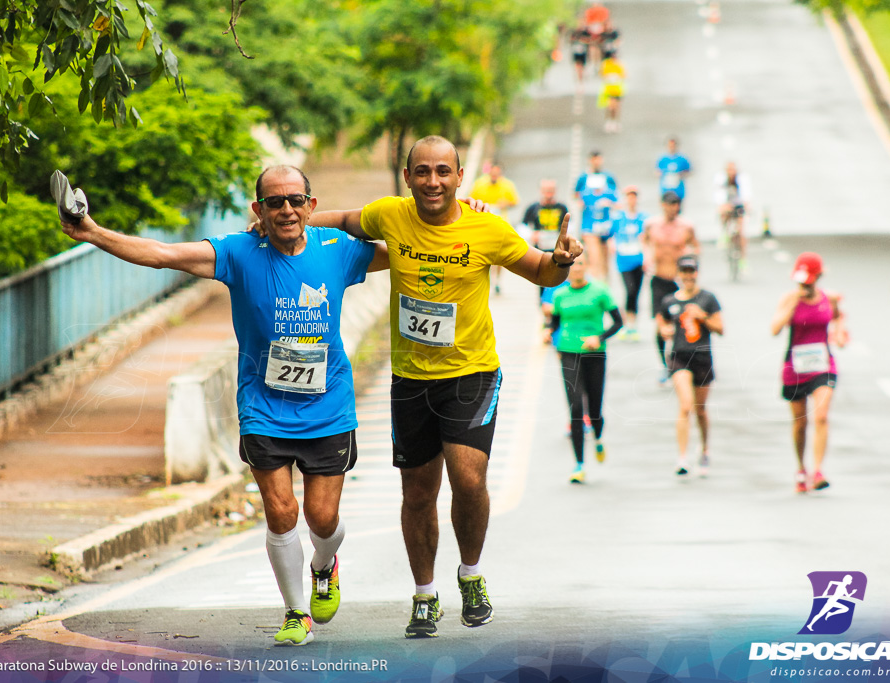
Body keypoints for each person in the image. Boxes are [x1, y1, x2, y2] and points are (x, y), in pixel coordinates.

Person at [59, 166, 389, 646]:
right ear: (258, 210)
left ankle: (325, 563)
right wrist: (91, 232)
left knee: (321, 518)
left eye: (295, 200)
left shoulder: (338, 251)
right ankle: (297, 613)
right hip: (263, 407)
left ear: (311, 206)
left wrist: (467, 219)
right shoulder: (238, 252)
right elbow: (162, 254)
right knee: (281, 512)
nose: (286, 210)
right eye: (274, 203)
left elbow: (414, 250)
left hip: (328, 408)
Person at [309, 135, 584, 638]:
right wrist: (289, 220)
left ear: (460, 177)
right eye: (422, 172)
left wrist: (561, 259)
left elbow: (541, 272)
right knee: (417, 492)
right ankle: (424, 594)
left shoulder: (487, 227)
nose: (432, 181)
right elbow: (346, 220)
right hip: (410, 379)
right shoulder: (390, 215)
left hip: (471, 373)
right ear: (409, 177)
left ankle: (471, 575)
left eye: (442, 171)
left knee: (468, 478)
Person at [771, 252, 848, 493]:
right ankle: (801, 468)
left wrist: (840, 331)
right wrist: (793, 303)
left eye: (808, 281)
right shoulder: (789, 298)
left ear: (818, 277)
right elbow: (774, 328)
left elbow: (837, 317)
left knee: (821, 416)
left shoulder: (829, 298)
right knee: (800, 424)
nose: (804, 286)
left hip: (823, 365)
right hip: (795, 368)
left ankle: (818, 471)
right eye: (801, 282)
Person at [550, 260, 622, 483]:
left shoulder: (600, 291)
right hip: (569, 353)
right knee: (575, 408)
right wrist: (547, 332)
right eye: (573, 266)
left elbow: (618, 322)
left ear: (587, 266)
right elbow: (554, 323)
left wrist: (598, 338)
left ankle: (598, 437)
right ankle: (579, 464)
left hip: (595, 354)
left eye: (581, 264)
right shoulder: (560, 295)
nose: (577, 269)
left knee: (594, 409)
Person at [656, 255, 723, 476]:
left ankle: (704, 449)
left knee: (700, 410)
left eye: (691, 271)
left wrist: (702, 317)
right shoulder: (670, 301)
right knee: (686, 406)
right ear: (679, 274)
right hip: (679, 357)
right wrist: (664, 330)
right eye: (684, 271)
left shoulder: (708, 299)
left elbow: (720, 328)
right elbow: (661, 321)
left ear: (697, 273)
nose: (688, 276)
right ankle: (682, 458)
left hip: (702, 358)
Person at [642, 191, 700, 381]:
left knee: (681, 323)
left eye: (676, 204)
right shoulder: (652, 225)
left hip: (678, 281)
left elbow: (696, 247)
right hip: (658, 279)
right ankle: (664, 364)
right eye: (669, 204)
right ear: (663, 205)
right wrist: (647, 256)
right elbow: (644, 241)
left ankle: (681, 362)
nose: (672, 208)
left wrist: (690, 264)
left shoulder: (686, 226)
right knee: (660, 325)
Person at [469, 163, 521, 294]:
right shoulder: (480, 184)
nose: (494, 177)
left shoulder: (507, 185)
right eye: (492, 174)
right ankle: (487, 279)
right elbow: (470, 200)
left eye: (497, 175)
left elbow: (515, 201)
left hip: (500, 223)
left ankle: (497, 280)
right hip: (483, 223)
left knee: (499, 255)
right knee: (485, 253)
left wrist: (506, 203)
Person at [609, 185, 647, 340]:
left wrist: (647, 256)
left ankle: (633, 325)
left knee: (636, 293)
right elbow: (610, 235)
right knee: (629, 290)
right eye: (629, 196)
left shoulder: (643, 218)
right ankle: (627, 323)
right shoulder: (618, 218)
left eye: (634, 196)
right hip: (623, 260)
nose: (631, 200)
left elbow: (647, 238)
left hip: (638, 259)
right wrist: (612, 246)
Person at [574, 151, 619, 280]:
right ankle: (594, 284)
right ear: (590, 160)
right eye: (594, 160)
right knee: (594, 259)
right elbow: (575, 194)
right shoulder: (583, 178)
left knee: (606, 263)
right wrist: (581, 202)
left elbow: (618, 201)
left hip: (605, 226)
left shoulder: (608, 177)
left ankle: (605, 288)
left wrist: (609, 204)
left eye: (599, 159)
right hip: (590, 225)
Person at [714, 161, 753, 265]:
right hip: (727, 205)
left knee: (741, 232)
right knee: (723, 212)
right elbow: (719, 197)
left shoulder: (742, 179)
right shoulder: (721, 179)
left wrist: (746, 207)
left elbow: (746, 197)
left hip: (739, 205)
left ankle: (743, 260)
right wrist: (723, 207)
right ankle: (724, 234)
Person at [521, 179, 570, 252]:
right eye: (546, 190)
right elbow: (522, 226)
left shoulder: (562, 208)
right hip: (539, 248)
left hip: (557, 246)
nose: (548, 193)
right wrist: (531, 235)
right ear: (541, 190)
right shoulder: (533, 208)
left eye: (551, 190)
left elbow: (570, 226)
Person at [655, 136, 692, 204]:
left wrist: (680, 175)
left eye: (673, 145)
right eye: (670, 145)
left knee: (677, 210)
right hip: (665, 189)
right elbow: (657, 172)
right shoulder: (662, 159)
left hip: (678, 190)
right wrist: (664, 174)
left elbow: (689, 172)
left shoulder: (682, 159)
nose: (671, 147)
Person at [598, 50, 626, 133]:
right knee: (610, 107)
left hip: (617, 89)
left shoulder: (620, 64)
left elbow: (624, 75)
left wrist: (616, 77)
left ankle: (616, 122)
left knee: (616, 107)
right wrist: (608, 77)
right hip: (608, 89)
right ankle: (609, 122)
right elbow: (601, 74)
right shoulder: (605, 64)